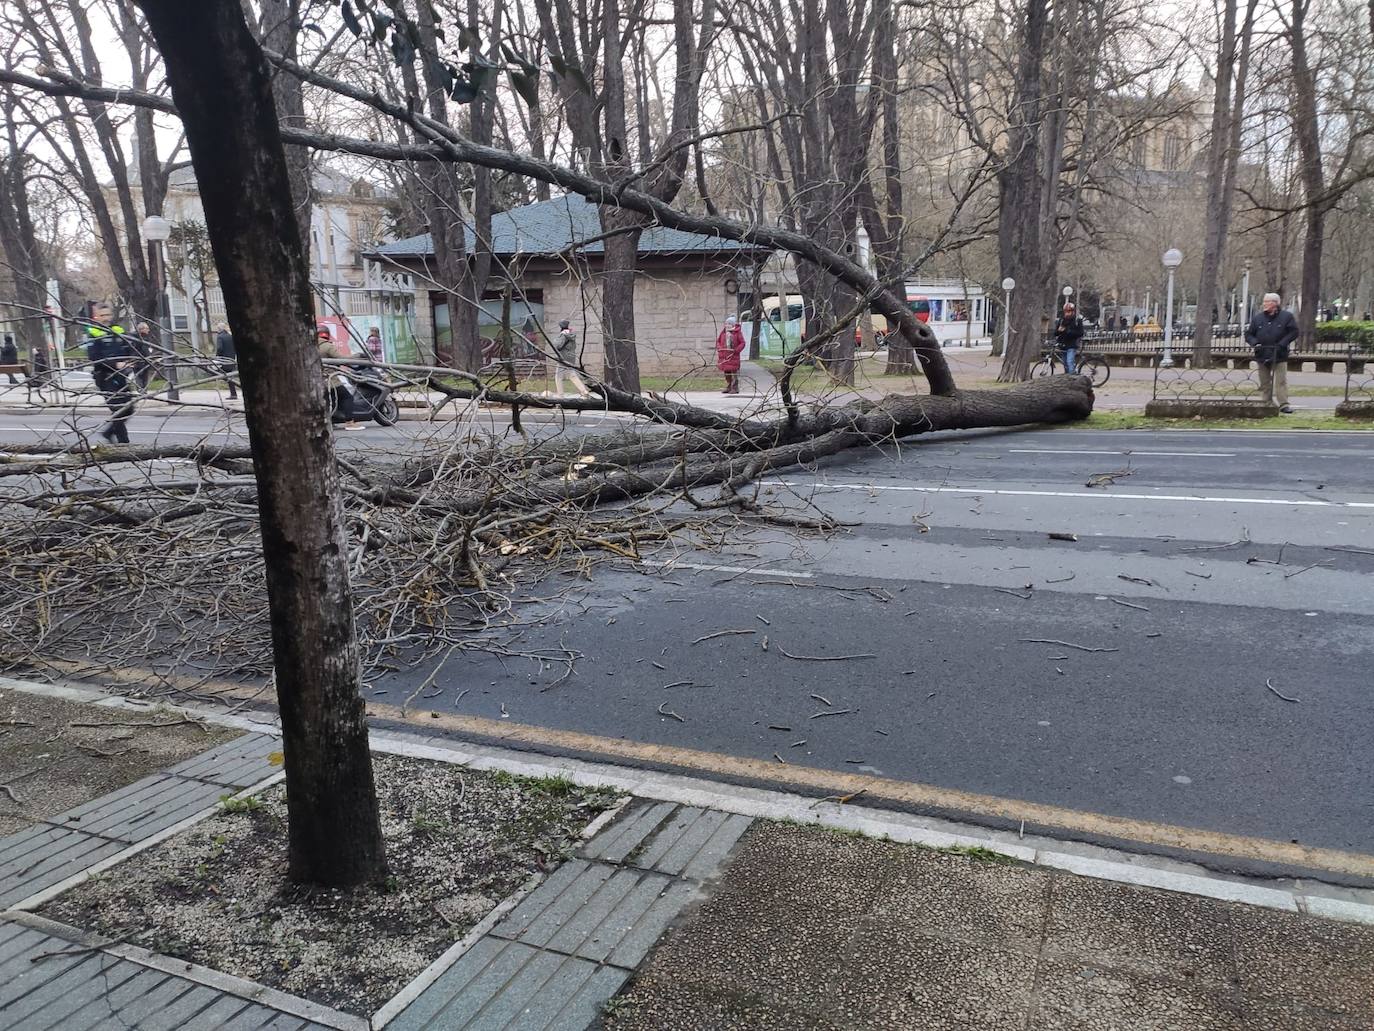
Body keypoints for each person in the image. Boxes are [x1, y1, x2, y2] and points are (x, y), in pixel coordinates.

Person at [85, 303, 137, 443]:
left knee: (129, 408)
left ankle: (108, 433)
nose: (106, 318)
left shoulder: (118, 330)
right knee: (118, 410)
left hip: (121, 377)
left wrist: (130, 359)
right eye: (102, 315)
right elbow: (95, 357)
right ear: (97, 317)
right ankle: (124, 444)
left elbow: (129, 347)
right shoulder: (93, 333)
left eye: (108, 315)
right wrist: (115, 364)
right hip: (105, 377)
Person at [1245, 292, 1298, 413]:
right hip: (1262, 354)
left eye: (1267, 301)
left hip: (1279, 354)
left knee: (1281, 381)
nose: (1264, 304)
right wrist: (1255, 343)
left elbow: (1293, 332)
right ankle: (1266, 402)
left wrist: (1282, 344)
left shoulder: (1286, 317)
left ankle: (1283, 404)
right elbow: (1248, 334)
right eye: (1264, 301)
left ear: (1275, 303)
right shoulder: (1258, 318)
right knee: (1264, 382)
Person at [552, 319, 590, 397]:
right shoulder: (571, 334)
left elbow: (558, 345)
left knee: (558, 376)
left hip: (563, 358)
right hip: (571, 357)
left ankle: (560, 395)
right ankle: (584, 391)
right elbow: (574, 346)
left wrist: (555, 340)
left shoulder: (563, 335)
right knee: (572, 375)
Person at [715, 315, 746, 394]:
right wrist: (719, 348)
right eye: (726, 324)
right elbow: (718, 341)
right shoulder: (723, 332)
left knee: (733, 372)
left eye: (729, 324)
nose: (727, 325)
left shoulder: (737, 333)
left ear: (733, 325)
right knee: (727, 372)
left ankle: (735, 387)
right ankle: (729, 386)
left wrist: (736, 350)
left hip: (733, 356)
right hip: (724, 356)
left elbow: (742, 343)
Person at [1053, 302, 1085, 374]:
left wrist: (1067, 331)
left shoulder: (1077, 321)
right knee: (1065, 364)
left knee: (1070, 362)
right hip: (1063, 345)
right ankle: (1067, 377)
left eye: (1069, 311)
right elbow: (1055, 333)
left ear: (1073, 311)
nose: (1067, 313)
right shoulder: (1061, 320)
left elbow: (1080, 333)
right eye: (1066, 312)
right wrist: (1058, 331)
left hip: (1072, 344)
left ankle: (1072, 378)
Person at [214, 322, 238, 399]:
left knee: (218, 373)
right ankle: (233, 394)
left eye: (217, 328)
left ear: (219, 329)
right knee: (229, 376)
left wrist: (217, 357)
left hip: (223, 360)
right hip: (231, 359)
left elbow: (219, 348)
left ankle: (233, 393)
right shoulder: (230, 336)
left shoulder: (220, 337)